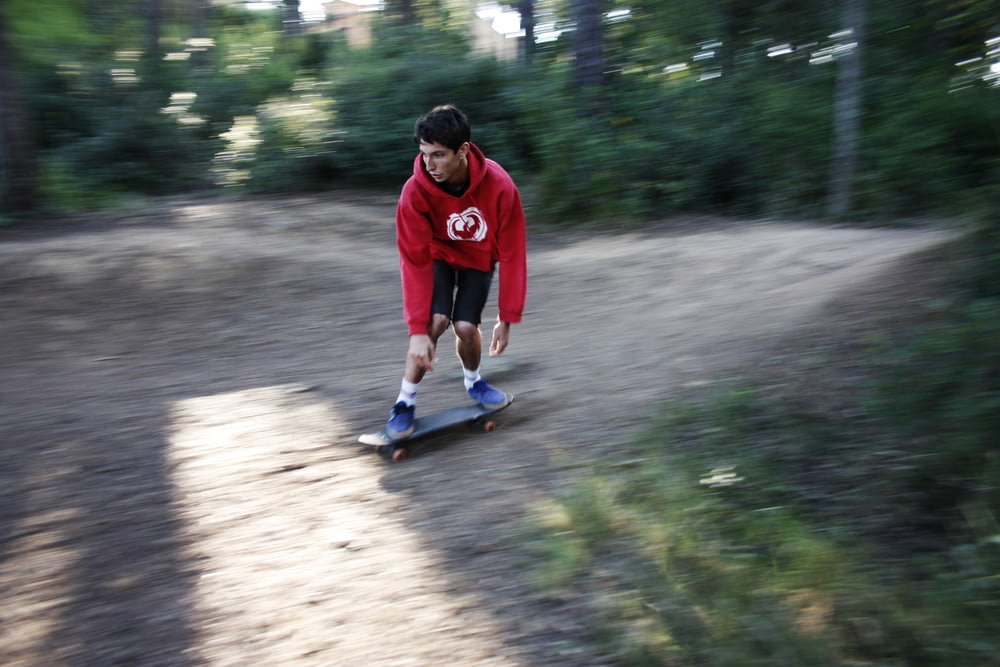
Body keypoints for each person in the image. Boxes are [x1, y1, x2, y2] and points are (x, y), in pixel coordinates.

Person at [385, 104, 528, 439]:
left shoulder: (500, 186)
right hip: (437, 256)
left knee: (466, 326)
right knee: (434, 322)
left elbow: (513, 254)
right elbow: (415, 261)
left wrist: (507, 316)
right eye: (423, 155)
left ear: (463, 150)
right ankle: (404, 402)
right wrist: (417, 330)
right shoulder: (414, 192)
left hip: (478, 259)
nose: (429, 165)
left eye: (438, 155)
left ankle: (474, 381)